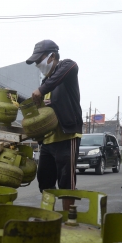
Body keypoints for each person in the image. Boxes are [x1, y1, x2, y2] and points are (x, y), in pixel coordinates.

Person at [26, 40, 83, 211]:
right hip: (48, 141)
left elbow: (71, 65)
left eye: (39, 59)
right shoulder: (47, 82)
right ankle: (48, 216)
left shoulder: (66, 70)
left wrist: (42, 89)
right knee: (44, 180)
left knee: (66, 183)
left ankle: (68, 219)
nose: (37, 64)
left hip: (67, 137)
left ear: (52, 57)